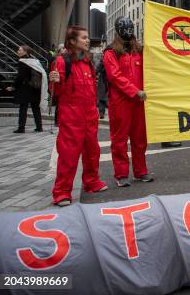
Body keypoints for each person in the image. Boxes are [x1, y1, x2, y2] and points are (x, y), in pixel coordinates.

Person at [49, 26, 108, 206]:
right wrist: (55, 81)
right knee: (68, 155)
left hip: (89, 114)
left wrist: (96, 108)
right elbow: (55, 92)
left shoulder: (87, 62)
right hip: (71, 116)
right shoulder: (61, 61)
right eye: (83, 37)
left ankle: (92, 182)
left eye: (87, 37)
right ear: (73, 41)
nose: (87, 40)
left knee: (92, 152)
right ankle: (62, 192)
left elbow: (91, 89)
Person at [103, 17, 154, 187]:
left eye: (130, 27)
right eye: (125, 28)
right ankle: (121, 174)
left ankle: (140, 171)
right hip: (121, 101)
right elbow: (114, 76)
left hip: (139, 101)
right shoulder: (111, 52)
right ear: (118, 30)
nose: (128, 30)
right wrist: (135, 91)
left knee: (140, 139)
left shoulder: (139, 50)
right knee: (120, 139)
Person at [6, 45, 47, 133]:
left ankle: (21, 128)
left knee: (23, 108)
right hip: (36, 88)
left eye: (20, 50)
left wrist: (13, 86)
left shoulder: (22, 62)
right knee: (36, 108)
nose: (18, 51)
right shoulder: (35, 61)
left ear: (26, 52)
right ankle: (39, 127)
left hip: (25, 88)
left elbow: (20, 77)